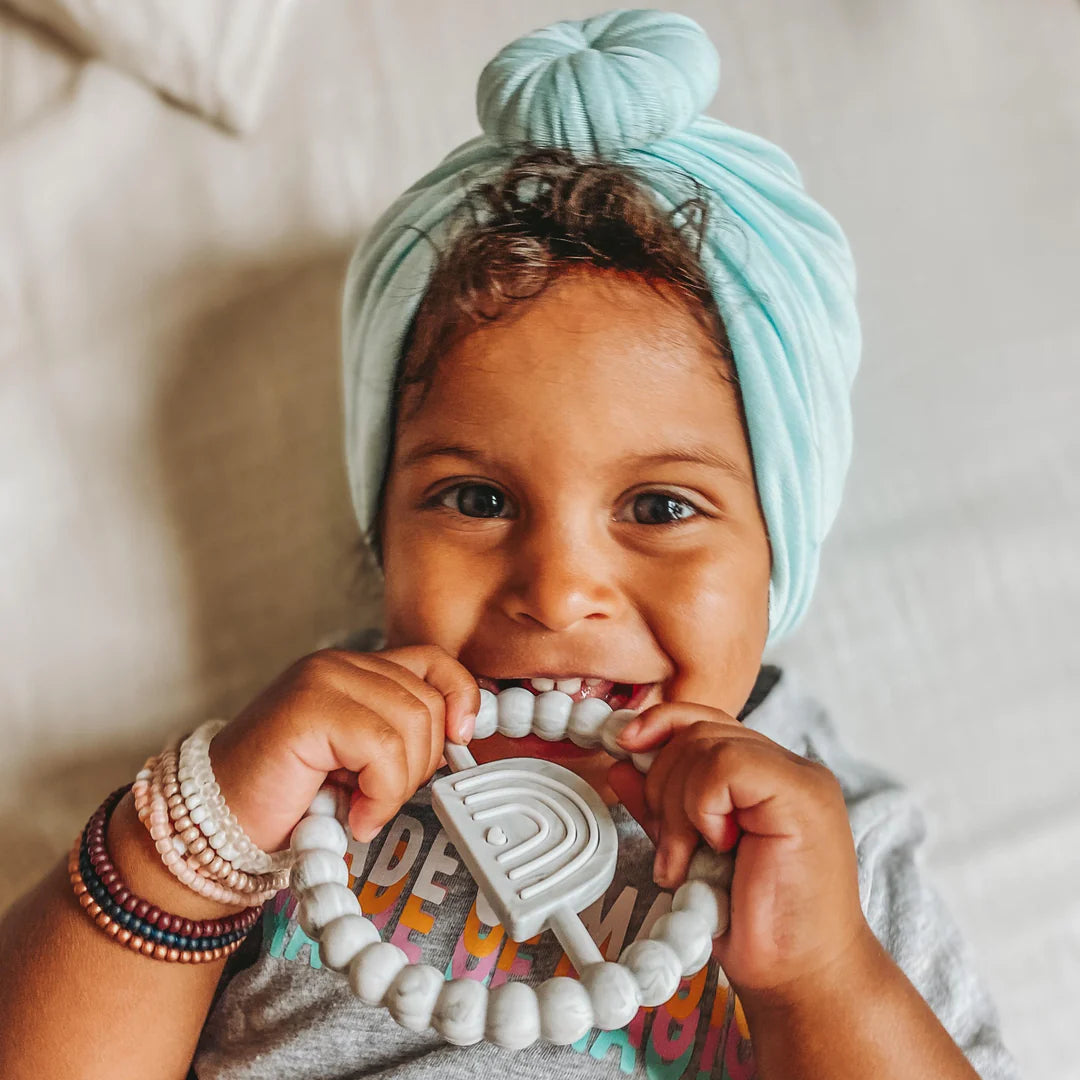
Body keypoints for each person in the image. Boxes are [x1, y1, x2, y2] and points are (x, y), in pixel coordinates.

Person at [0, 11, 1019, 1080]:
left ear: (780, 547)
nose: (559, 589)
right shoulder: (286, 783)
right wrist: (184, 857)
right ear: (382, 529)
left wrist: (823, 983)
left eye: (661, 508)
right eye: (476, 498)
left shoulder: (835, 850)